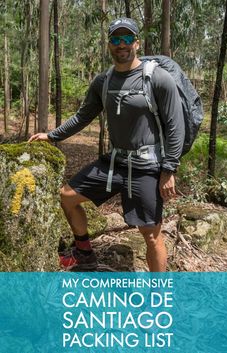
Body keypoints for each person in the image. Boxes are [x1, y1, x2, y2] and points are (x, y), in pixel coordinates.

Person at [29, 17, 184, 272]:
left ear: (137, 42)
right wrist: (53, 135)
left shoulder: (158, 78)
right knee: (67, 197)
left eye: (126, 39)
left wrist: (169, 170)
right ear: (109, 44)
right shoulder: (104, 81)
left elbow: (175, 125)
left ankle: (158, 297)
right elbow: (83, 116)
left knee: (151, 234)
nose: (121, 44)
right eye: (115, 39)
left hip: (146, 166)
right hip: (115, 161)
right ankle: (85, 254)